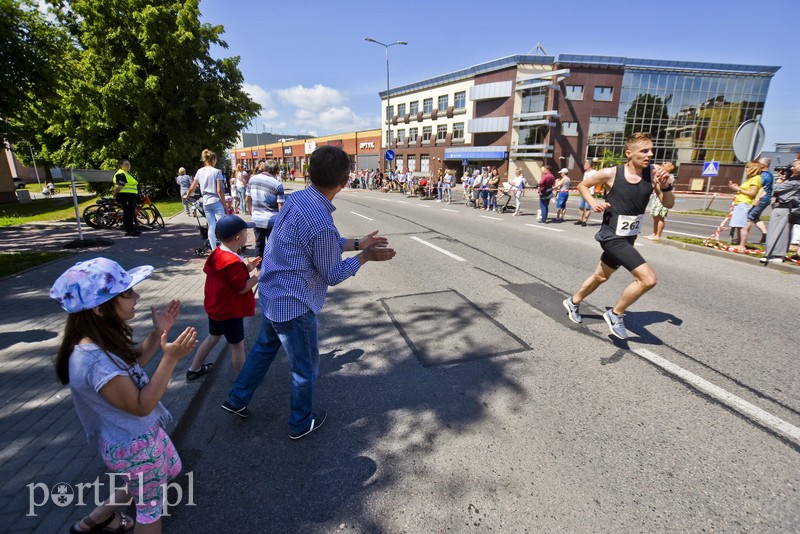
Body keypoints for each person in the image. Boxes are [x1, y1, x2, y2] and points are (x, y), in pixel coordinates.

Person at [222, 146, 396, 439]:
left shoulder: (299, 198)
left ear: (309, 173)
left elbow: (317, 244)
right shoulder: (322, 223)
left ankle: (236, 399)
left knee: (263, 351)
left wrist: (356, 244)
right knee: (305, 370)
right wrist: (365, 256)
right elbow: (333, 274)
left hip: (272, 293)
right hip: (295, 305)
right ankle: (300, 423)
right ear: (344, 181)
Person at [50, 257, 198, 533]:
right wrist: (170, 360)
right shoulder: (94, 360)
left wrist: (158, 332)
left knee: (156, 478)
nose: (137, 296)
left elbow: (134, 363)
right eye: (127, 293)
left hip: (136, 440)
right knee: (150, 510)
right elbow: (142, 405)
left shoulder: (100, 343)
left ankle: (92, 522)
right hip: (136, 448)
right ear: (99, 309)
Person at [563, 132, 673, 339]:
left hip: (629, 236)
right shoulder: (611, 173)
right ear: (629, 153)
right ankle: (615, 314)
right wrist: (593, 202)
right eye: (644, 150)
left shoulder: (654, 174)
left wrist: (667, 187)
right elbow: (582, 186)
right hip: (611, 237)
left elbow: (668, 203)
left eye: (651, 150)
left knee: (601, 276)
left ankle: (573, 302)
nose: (650, 154)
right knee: (648, 280)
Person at [186, 215, 260, 380]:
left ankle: (194, 369)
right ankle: (242, 381)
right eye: (246, 234)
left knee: (212, 338)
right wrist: (257, 276)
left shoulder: (219, 253)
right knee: (237, 347)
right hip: (229, 313)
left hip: (216, 309)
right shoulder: (232, 262)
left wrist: (248, 267)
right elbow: (241, 288)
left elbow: (229, 276)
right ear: (238, 238)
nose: (248, 236)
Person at [185, 149, 230, 250]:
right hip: (215, 200)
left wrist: (187, 195)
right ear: (213, 160)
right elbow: (219, 190)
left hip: (205, 201)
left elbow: (193, 186)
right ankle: (225, 247)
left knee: (211, 226)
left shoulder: (200, 171)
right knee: (222, 225)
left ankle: (214, 249)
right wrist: (225, 205)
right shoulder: (217, 172)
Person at [761, 158, 800, 263]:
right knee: (773, 231)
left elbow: (777, 189)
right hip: (780, 206)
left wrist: (779, 180)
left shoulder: (797, 181)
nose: (793, 167)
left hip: (788, 207)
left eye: (796, 165)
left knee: (782, 233)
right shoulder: (792, 178)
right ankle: (770, 253)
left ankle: (778, 255)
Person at [247, 159, 285, 260]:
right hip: (272, 220)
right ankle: (272, 268)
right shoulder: (277, 185)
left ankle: (258, 268)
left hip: (257, 219)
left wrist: (252, 213)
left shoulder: (252, 179)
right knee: (273, 246)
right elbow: (280, 206)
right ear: (276, 171)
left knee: (259, 244)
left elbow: (247, 199)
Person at [728, 161, 763, 250]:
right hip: (741, 202)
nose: (746, 169)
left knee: (742, 224)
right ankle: (740, 243)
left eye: (748, 167)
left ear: (753, 168)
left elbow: (752, 193)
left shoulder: (756, 178)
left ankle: (742, 244)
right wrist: (737, 187)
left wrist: (738, 189)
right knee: (739, 224)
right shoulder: (750, 178)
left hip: (744, 203)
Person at [744, 157, 774, 244]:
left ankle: (743, 239)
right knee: (755, 217)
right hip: (764, 198)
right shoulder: (769, 174)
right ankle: (765, 235)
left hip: (761, 199)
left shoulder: (763, 176)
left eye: (759, 163)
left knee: (749, 217)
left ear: (763, 165)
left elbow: (757, 186)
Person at [645, 162, 675, 240]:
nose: (660, 167)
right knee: (655, 217)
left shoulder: (669, 177)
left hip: (664, 197)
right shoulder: (658, 175)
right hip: (656, 197)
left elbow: (667, 188)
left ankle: (658, 235)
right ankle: (654, 233)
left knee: (660, 217)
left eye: (662, 166)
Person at [113, 159, 141, 236]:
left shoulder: (127, 174)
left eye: (129, 164)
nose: (128, 166)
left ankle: (131, 229)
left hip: (131, 196)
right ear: (121, 165)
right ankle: (128, 231)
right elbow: (119, 186)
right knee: (128, 213)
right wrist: (114, 195)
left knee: (131, 213)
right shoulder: (121, 174)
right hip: (126, 196)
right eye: (126, 164)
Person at [576, 162, 597, 226]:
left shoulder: (594, 172)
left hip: (589, 192)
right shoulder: (585, 173)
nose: (584, 166)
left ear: (589, 166)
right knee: (581, 206)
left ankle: (585, 221)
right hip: (583, 191)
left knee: (587, 207)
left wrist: (594, 188)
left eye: (585, 165)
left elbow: (597, 181)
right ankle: (580, 219)